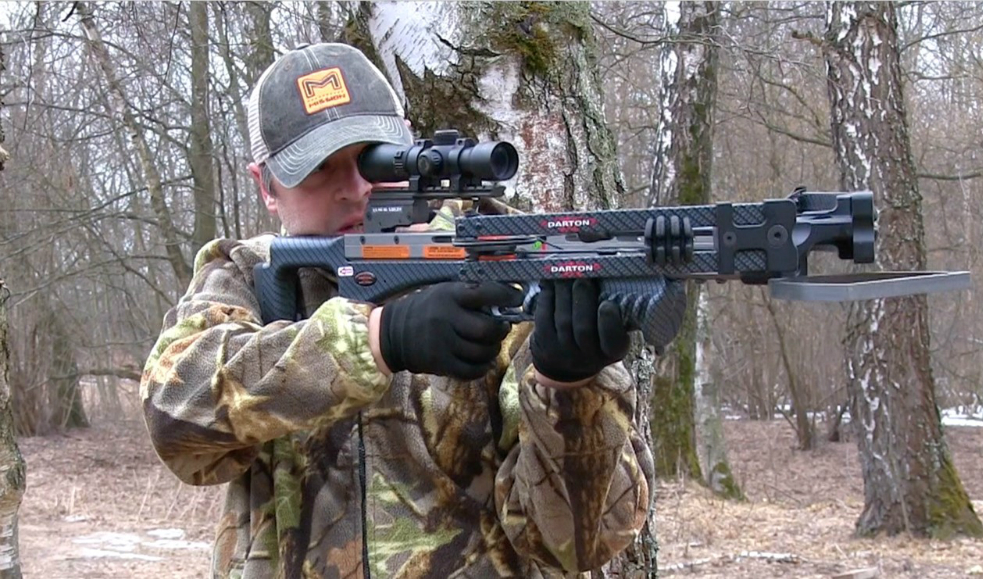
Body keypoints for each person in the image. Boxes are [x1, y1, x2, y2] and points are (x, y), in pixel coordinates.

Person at [140, 42, 659, 578]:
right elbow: (174, 416)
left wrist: (569, 391)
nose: (354, 189)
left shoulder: (508, 260)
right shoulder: (249, 276)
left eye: (374, 157)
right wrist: (380, 339)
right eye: (318, 169)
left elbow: (579, 544)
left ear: (409, 143)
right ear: (266, 185)